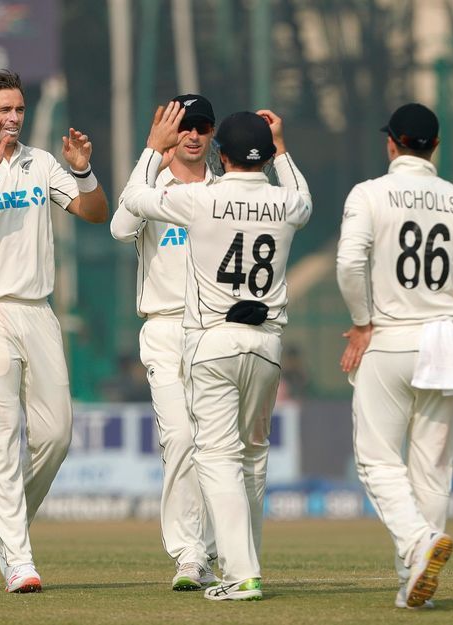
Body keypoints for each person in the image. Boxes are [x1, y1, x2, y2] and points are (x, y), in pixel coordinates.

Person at [335, 103, 453, 609]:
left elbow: (350, 262)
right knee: (433, 467)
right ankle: (415, 584)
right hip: (443, 340)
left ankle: (418, 545)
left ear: (392, 143)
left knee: (377, 458)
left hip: (390, 337)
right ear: (435, 146)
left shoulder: (369, 194)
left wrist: (360, 321)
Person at [122, 103, 311, 601]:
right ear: (267, 156)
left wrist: (151, 147)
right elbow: (304, 199)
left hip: (211, 341)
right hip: (268, 345)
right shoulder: (286, 203)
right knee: (252, 458)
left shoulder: (201, 199)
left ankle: (239, 572)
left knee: (215, 456)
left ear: (221, 155)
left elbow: (135, 197)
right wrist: (283, 150)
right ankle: (245, 562)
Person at [0, 69, 108, 593]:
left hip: (38, 309)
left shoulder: (42, 163)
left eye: (19, 110)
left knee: (57, 434)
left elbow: (95, 213)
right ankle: (18, 559)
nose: (13, 119)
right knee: (2, 436)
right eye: (4, 110)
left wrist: (84, 172)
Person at [111, 94, 219, 591]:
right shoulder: (151, 188)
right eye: (183, 127)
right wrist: (151, 157)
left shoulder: (225, 190)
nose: (192, 135)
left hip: (217, 330)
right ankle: (188, 555)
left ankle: (218, 547)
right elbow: (119, 228)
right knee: (178, 438)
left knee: (216, 445)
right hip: (164, 328)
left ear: (213, 133)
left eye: (201, 126)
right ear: (167, 134)